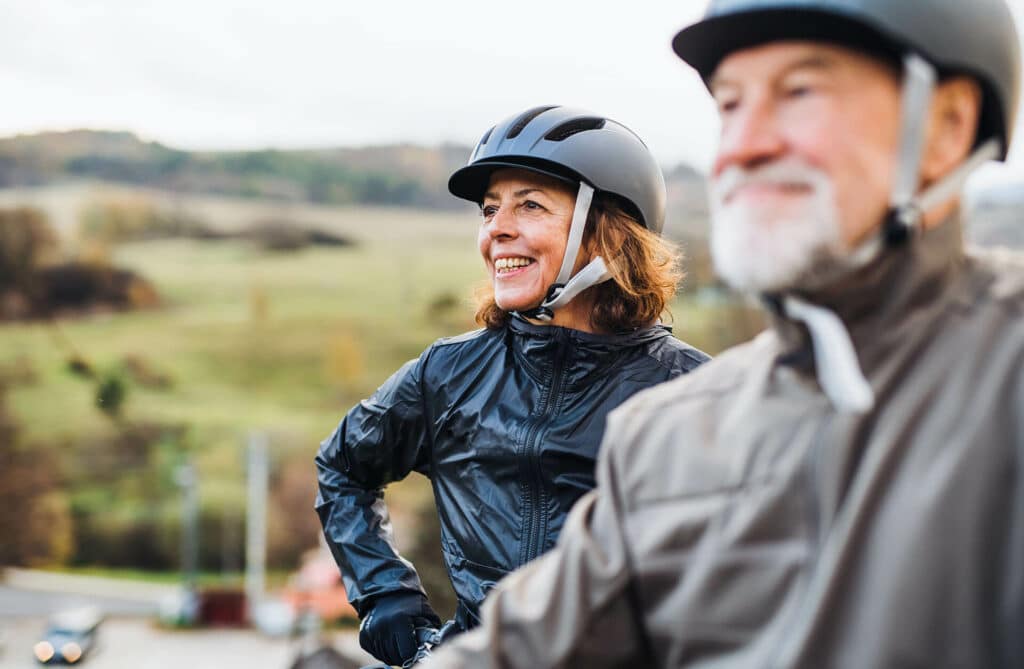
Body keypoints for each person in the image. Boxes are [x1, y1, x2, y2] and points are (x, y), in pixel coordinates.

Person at [423, 1, 1024, 667]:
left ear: (946, 126)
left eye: (799, 92)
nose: (743, 145)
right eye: (731, 106)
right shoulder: (667, 436)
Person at [314, 105, 709, 667]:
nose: (496, 229)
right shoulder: (446, 375)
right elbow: (342, 467)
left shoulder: (696, 394)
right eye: (490, 209)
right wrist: (386, 597)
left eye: (530, 205)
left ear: (607, 233)